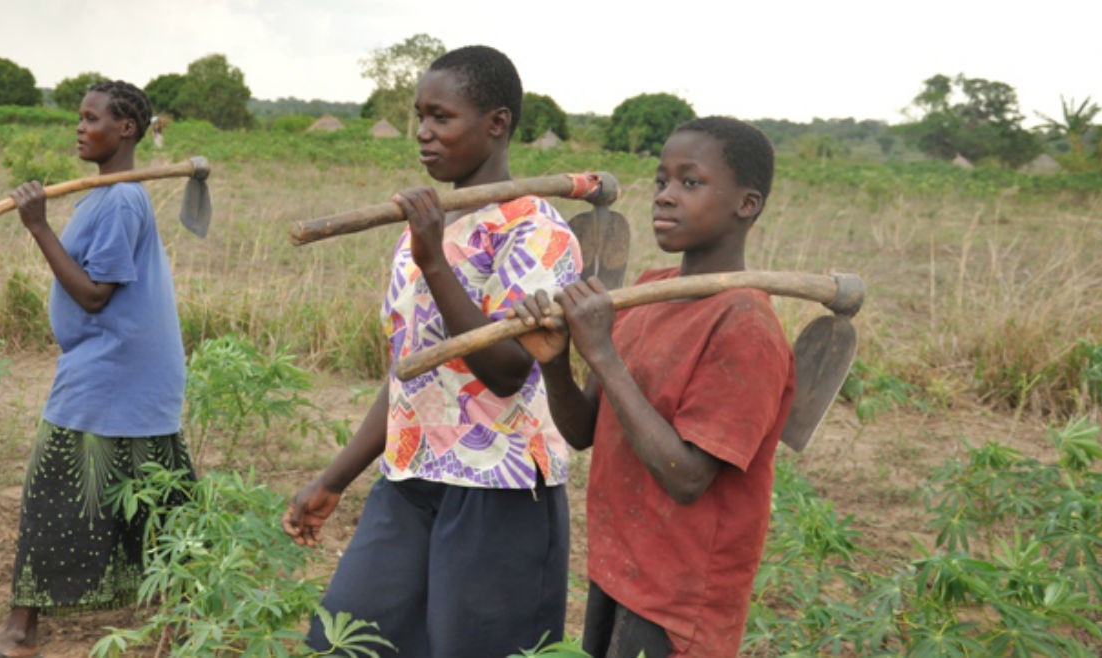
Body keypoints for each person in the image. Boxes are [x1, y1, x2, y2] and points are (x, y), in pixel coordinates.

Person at [282, 45, 582, 658]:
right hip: (412, 476)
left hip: (497, 492)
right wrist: (333, 479)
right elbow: (410, 372)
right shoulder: (429, 226)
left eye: (441, 117)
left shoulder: (539, 232)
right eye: (419, 116)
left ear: (496, 123)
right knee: (347, 643)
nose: (422, 133)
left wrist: (434, 262)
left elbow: (504, 372)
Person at [511, 116, 796, 658]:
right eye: (662, 180)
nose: (664, 197)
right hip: (620, 570)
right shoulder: (648, 292)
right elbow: (582, 431)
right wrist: (554, 360)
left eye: (690, 183)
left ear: (747, 204)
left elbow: (687, 476)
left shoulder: (745, 326)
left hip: (682, 601)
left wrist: (602, 351)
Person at [0, 80, 195, 658]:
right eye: (80, 117)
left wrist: (38, 226)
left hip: (113, 371)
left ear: (127, 131)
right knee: (157, 499)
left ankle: (20, 631)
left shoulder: (119, 199)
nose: (80, 127)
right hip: (125, 372)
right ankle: (191, 618)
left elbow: (95, 296)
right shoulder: (105, 194)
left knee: (55, 490)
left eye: (92, 118)